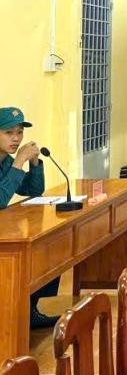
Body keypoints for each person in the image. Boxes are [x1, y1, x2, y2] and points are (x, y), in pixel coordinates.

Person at [0, 107, 61, 329]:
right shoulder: (11, 161)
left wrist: (34, 164)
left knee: (48, 245)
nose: (16, 139)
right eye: (8, 133)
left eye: (19, 132)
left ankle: (29, 309)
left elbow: (33, 190)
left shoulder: (5, 161)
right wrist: (19, 162)